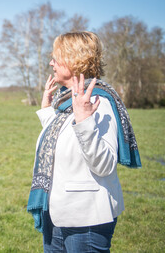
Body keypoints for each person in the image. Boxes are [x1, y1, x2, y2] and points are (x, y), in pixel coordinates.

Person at [27, 31, 141, 252]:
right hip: (57, 213)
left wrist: (85, 119)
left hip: (86, 220)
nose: (51, 62)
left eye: (56, 57)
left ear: (73, 58)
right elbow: (63, 143)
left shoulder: (98, 102)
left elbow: (104, 164)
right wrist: (46, 109)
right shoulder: (67, 100)